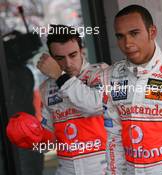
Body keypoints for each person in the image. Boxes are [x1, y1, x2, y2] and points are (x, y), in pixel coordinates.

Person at [39, 5, 162, 175]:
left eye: (134, 33)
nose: (127, 43)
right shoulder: (110, 76)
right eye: (120, 36)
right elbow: (114, 139)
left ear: (152, 32)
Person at [7, 25, 108, 175]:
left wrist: (61, 78)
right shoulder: (47, 87)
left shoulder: (102, 73)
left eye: (73, 55)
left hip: (103, 168)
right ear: (51, 58)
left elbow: (95, 106)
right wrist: (33, 137)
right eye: (60, 58)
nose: (67, 64)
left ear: (82, 51)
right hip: (66, 169)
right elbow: (49, 139)